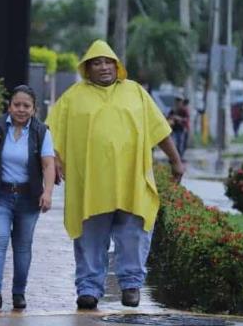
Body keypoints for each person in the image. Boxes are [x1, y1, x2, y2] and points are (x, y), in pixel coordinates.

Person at [46, 40, 185, 310]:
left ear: (117, 65)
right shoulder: (73, 96)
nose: (103, 67)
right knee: (89, 238)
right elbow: (50, 133)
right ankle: (88, 289)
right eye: (96, 63)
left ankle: (131, 285)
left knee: (133, 235)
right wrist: (55, 160)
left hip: (130, 182)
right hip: (91, 184)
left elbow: (160, 130)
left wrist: (176, 161)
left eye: (108, 61)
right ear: (88, 68)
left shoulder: (135, 92)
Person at [0, 85, 56, 310]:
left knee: (22, 246)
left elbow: (49, 165)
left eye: (26, 106)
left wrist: (47, 192)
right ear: (9, 106)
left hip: (28, 199)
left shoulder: (41, 132)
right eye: (16, 105)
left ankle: (19, 293)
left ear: (34, 109)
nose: (21, 110)